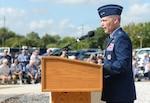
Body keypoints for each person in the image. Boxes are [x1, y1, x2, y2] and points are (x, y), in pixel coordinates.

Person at [97, 4, 136, 103]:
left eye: (104, 20)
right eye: (101, 21)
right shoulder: (112, 38)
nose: (102, 24)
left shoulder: (121, 38)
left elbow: (123, 63)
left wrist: (102, 68)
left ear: (115, 20)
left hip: (120, 93)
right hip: (113, 92)